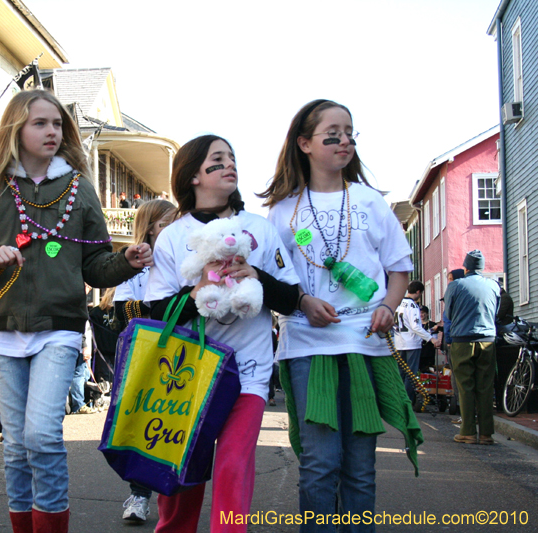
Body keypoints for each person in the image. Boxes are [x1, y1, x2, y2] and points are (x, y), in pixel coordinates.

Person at [0, 89, 152, 533]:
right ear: (16, 129)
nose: (52, 132)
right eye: (40, 123)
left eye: (58, 124)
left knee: (41, 435)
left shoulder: (80, 188)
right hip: (4, 329)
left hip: (60, 327)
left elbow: (96, 265)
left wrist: (126, 261)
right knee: (16, 446)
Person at [262, 99, 423, 532]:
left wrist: (388, 306)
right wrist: (302, 301)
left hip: (365, 344)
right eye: (332, 134)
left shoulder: (371, 201)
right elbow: (273, 278)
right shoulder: (282, 210)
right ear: (304, 143)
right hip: (307, 345)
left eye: (350, 133)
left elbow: (399, 269)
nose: (344, 142)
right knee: (319, 464)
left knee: (360, 466)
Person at [145, 134, 301, 533]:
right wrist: (196, 291)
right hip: (186, 375)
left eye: (232, 158)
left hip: (248, 372)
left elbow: (290, 299)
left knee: (232, 465)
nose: (230, 164)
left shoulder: (260, 230)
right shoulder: (172, 237)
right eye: (218, 159)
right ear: (193, 176)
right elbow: (157, 312)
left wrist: (256, 275)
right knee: (182, 475)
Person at [110, 199, 175, 524]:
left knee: (173, 423)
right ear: (149, 228)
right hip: (144, 353)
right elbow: (122, 311)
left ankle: (173, 494)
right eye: (165, 224)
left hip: (179, 352)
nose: (171, 230)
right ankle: (139, 495)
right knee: (144, 424)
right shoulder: (135, 262)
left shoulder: (182, 255)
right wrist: (158, 309)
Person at [444, 250, 500, 446]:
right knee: (485, 386)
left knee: (465, 386)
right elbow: (496, 311)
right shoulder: (494, 285)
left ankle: (468, 431)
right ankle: (486, 433)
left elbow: (449, 313)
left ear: (465, 267)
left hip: (462, 339)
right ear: (482, 267)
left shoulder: (456, 285)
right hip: (488, 339)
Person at [393, 281, 435, 404]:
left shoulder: (398, 303)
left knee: (400, 372)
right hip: (411, 343)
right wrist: (430, 338)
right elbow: (416, 326)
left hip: (398, 342)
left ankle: (398, 399)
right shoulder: (413, 306)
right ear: (418, 292)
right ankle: (407, 401)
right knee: (411, 374)